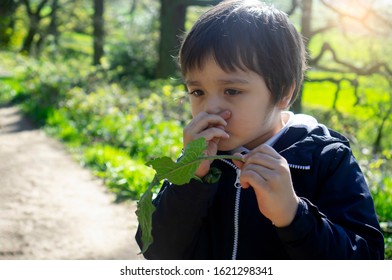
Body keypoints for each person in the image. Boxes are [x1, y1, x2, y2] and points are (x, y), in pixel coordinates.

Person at [136, 0, 384, 259]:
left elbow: (367, 259)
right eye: (197, 91)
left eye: (232, 91)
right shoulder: (203, 161)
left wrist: (293, 215)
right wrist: (189, 179)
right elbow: (154, 250)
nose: (210, 108)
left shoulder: (326, 159)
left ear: (284, 93)